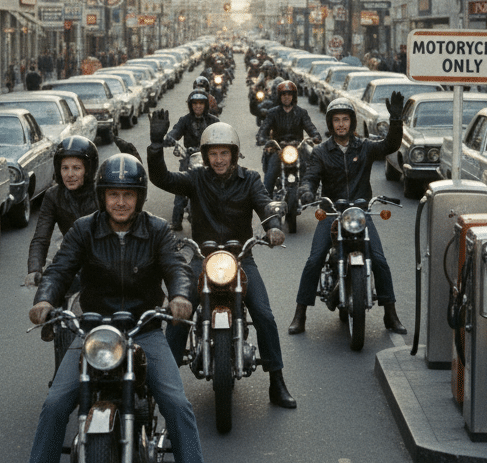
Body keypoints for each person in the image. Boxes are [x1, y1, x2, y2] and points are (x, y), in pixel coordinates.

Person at [27, 153, 204, 463]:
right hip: (94, 331)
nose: (120, 202)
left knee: (177, 404)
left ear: (139, 197)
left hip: (143, 330)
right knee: (55, 404)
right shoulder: (84, 229)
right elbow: (60, 270)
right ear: (102, 196)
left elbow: (177, 268)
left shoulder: (157, 229)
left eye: (128, 194)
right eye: (113, 194)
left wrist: (180, 296)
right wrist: (44, 299)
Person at [147, 116, 297, 409]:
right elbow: (162, 178)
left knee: (264, 314)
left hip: (240, 258)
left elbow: (265, 204)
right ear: (205, 156)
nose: (218, 159)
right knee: (179, 311)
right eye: (213, 153)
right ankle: (164, 384)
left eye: (223, 153)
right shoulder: (195, 177)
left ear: (234, 153)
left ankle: (276, 382)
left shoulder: (250, 178)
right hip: (202, 259)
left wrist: (273, 226)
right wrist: (155, 146)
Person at [288, 95, 406, 336]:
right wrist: (307, 191)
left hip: (360, 212)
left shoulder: (364, 147)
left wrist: (396, 120)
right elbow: (309, 177)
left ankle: (390, 314)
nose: (341, 124)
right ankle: (300, 314)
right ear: (330, 124)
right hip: (332, 212)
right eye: (336, 120)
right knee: (315, 259)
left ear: (352, 122)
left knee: (380, 260)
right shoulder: (321, 152)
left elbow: (390, 145)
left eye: (345, 119)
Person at [26, 136, 100, 287]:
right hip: (71, 261)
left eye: (76, 168)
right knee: (49, 301)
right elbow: (41, 237)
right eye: (65, 168)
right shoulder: (53, 195)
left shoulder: (101, 193)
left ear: (88, 170)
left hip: (104, 261)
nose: (69, 174)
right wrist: (34, 269)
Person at [163, 90, 220, 231]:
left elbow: (222, 135)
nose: (198, 106)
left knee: (221, 184)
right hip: (189, 158)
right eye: (195, 103)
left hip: (209, 159)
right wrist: (170, 138)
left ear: (206, 105)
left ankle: (221, 217)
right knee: (181, 185)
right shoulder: (185, 120)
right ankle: (176, 221)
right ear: (191, 105)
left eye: (201, 103)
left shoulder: (214, 121)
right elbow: (176, 131)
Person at [256, 80, 321, 194]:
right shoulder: (272, 113)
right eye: (283, 94)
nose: (286, 97)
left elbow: (309, 126)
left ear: (293, 96)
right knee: (271, 172)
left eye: (289, 94)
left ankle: (312, 192)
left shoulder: (301, 112)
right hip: (279, 149)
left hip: (298, 147)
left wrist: (315, 135)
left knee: (311, 165)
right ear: (279, 96)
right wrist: (262, 138)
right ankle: (266, 198)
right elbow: (264, 128)